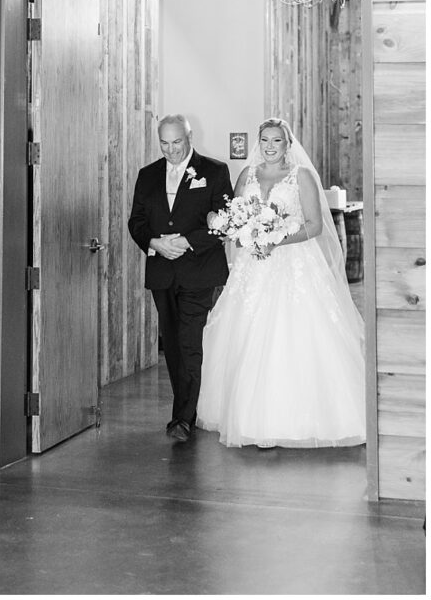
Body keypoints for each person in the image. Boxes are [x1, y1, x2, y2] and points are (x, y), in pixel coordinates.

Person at [196, 118, 365, 448]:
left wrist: (276, 240)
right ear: (259, 142)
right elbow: (236, 214)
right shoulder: (247, 175)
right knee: (244, 333)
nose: (271, 146)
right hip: (252, 268)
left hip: (292, 263)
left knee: (291, 334)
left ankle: (294, 419)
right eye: (265, 140)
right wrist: (241, 231)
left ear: (289, 144)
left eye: (277, 140)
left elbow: (315, 225)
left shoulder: (300, 176)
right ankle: (247, 418)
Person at [128, 114, 234, 443]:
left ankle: (183, 417)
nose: (171, 150)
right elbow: (137, 221)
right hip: (162, 271)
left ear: (189, 138)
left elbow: (225, 221)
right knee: (172, 344)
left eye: (177, 142)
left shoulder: (215, 171)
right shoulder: (147, 175)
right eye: (165, 143)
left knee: (190, 343)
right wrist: (154, 243)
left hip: (199, 270)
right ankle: (185, 408)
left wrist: (187, 242)